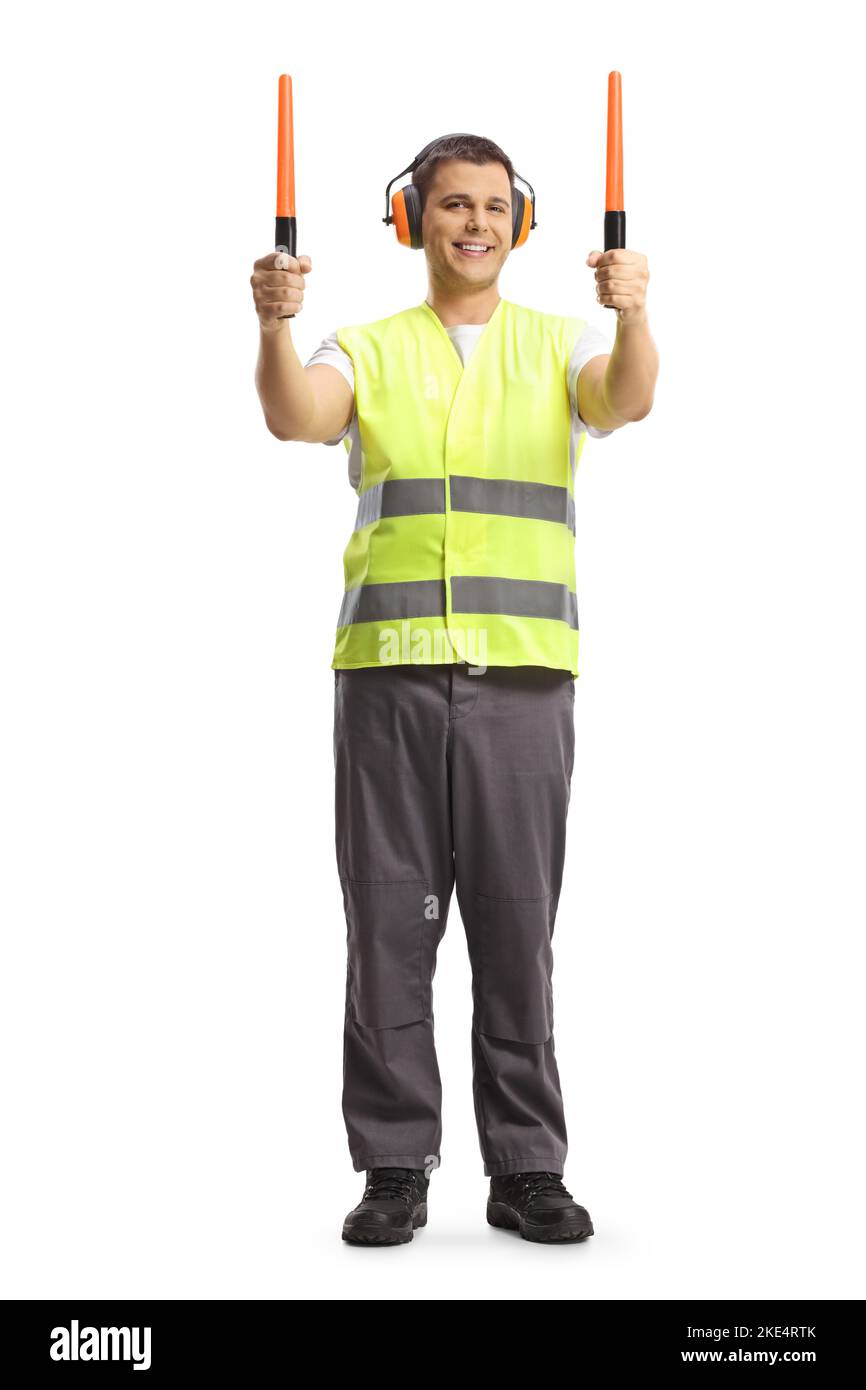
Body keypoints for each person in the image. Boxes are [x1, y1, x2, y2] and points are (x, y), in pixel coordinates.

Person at [251, 133, 658, 1246]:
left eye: (490, 206)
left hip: (523, 679)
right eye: (449, 206)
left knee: (515, 927)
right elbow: (294, 414)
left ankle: (526, 1167)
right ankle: (393, 1165)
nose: (471, 223)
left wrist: (632, 312)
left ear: (517, 223)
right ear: (409, 221)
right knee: (386, 923)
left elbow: (624, 400)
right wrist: (273, 322)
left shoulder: (558, 343)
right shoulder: (365, 347)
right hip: (386, 679)